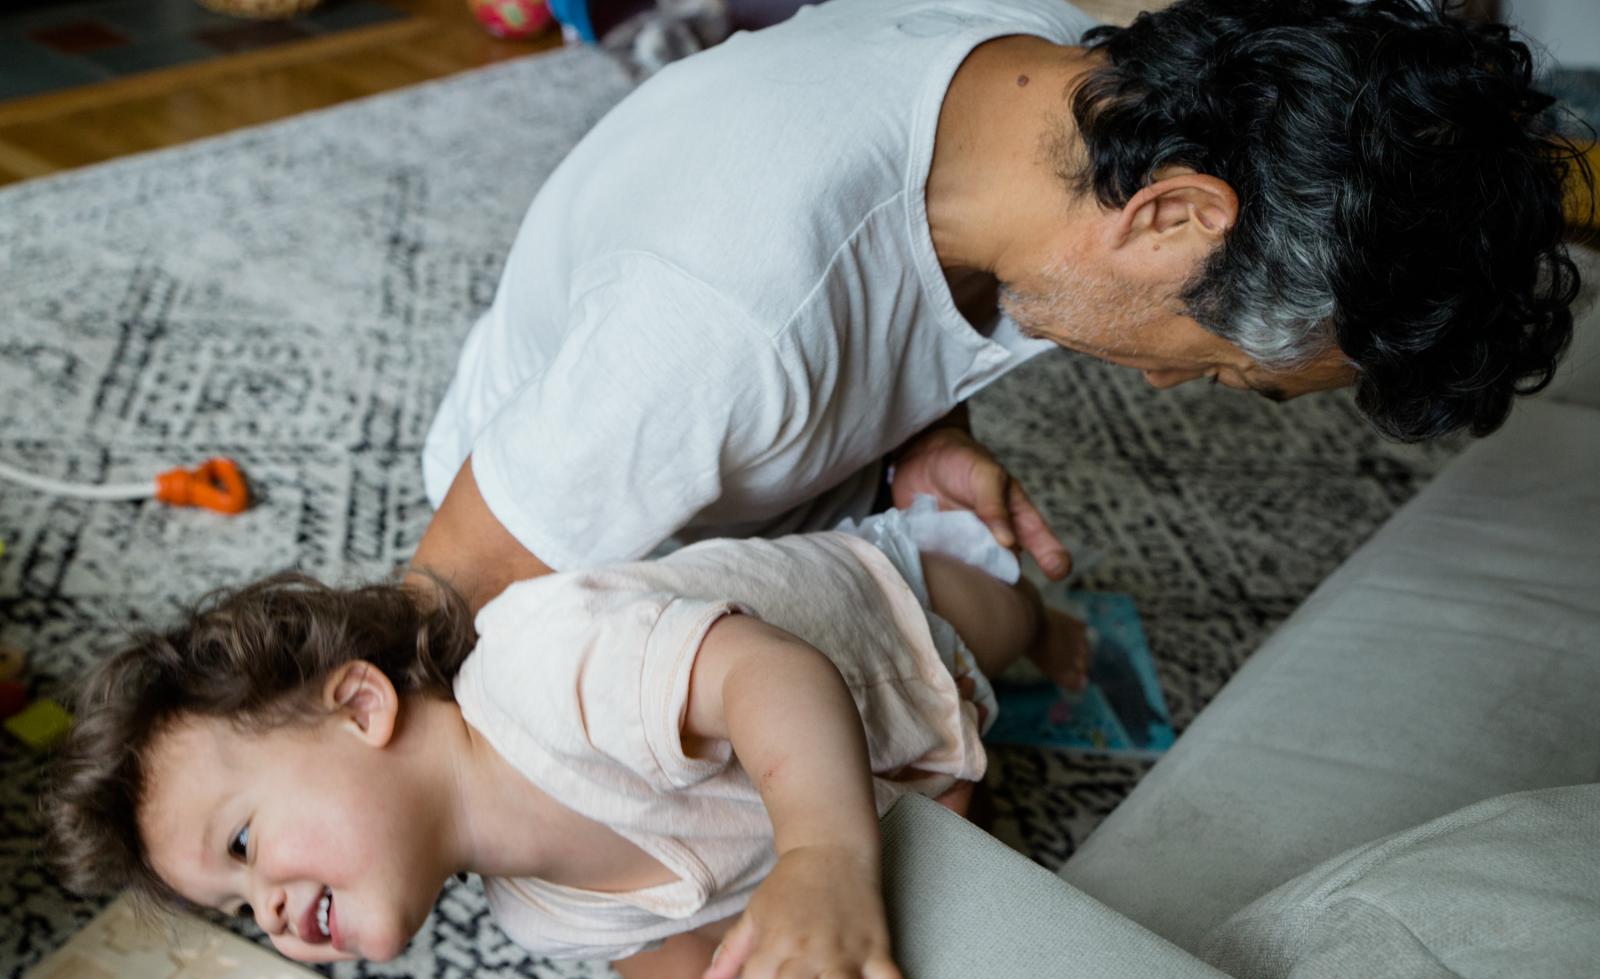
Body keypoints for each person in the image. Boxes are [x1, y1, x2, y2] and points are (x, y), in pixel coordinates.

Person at [413, 0, 1586, 616]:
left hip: (735, 435)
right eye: (1226, 364)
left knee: (985, 619)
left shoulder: (1043, 70)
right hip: (572, 527)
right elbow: (440, 591)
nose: (1175, 383)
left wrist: (925, 428)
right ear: (1172, 214)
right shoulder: (721, 325)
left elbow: (892, 279)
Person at [44, 504, 1089, 979]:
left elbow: (778, 675)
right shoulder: (537, 916)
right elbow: (678, 928)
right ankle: (925, 801)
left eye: (243, 847)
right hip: (863, 779)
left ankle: (1044, 628)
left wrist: (820, 854)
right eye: (239, 910)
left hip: (897, 630)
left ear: (361, 707)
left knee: (995, 623)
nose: (270, 910)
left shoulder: (546, 664)